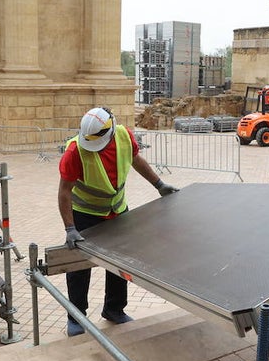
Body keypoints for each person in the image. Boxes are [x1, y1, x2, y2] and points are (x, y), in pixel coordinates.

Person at [58, 106, 179, 337]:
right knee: (79, 267)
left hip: (118, 211)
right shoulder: (75, 151)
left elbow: (136, 160)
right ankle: (76, 317)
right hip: (85, 214)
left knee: (119, 263)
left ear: (110, 130)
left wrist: (159, 184)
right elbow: (64, 191)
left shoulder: (123, 135)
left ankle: (114, 309)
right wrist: (70, 228)